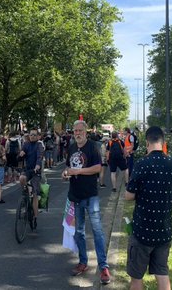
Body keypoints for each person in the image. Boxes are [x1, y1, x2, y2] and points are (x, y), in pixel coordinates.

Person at [125, 126, 172, 290]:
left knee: (137, 278)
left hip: (142, 232)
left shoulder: (142, 164)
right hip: (164, 231)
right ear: (163, 142)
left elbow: (128, 196)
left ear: (147, 142)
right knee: (162, 273)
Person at [64, 120, 110, 284]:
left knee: (97, 232)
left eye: (80, 131)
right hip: (75, 196)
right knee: (79, 232)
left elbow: (98, 168)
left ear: (85, 132)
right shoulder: (71, 147)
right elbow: (69, 166)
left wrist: (79, 171)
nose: (77, 133)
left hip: (91, 196)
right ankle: (83, 262)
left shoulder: (92, 147)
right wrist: (66, 173)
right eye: (75, 131)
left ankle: (103, 267)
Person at [19, 130, 44, 218]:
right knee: (22, 178)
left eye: (34, 135)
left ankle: (35, 216)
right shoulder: (26, 144)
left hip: (35, 171)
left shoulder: (39, 145)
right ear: (29, 136)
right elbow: (19, 156)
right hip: (27, 170)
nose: (32, 136)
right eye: (31, 135)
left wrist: (38, 165)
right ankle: (25, 194)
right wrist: (20, 155)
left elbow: (40, 156)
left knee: (35, 193)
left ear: (38, 136)